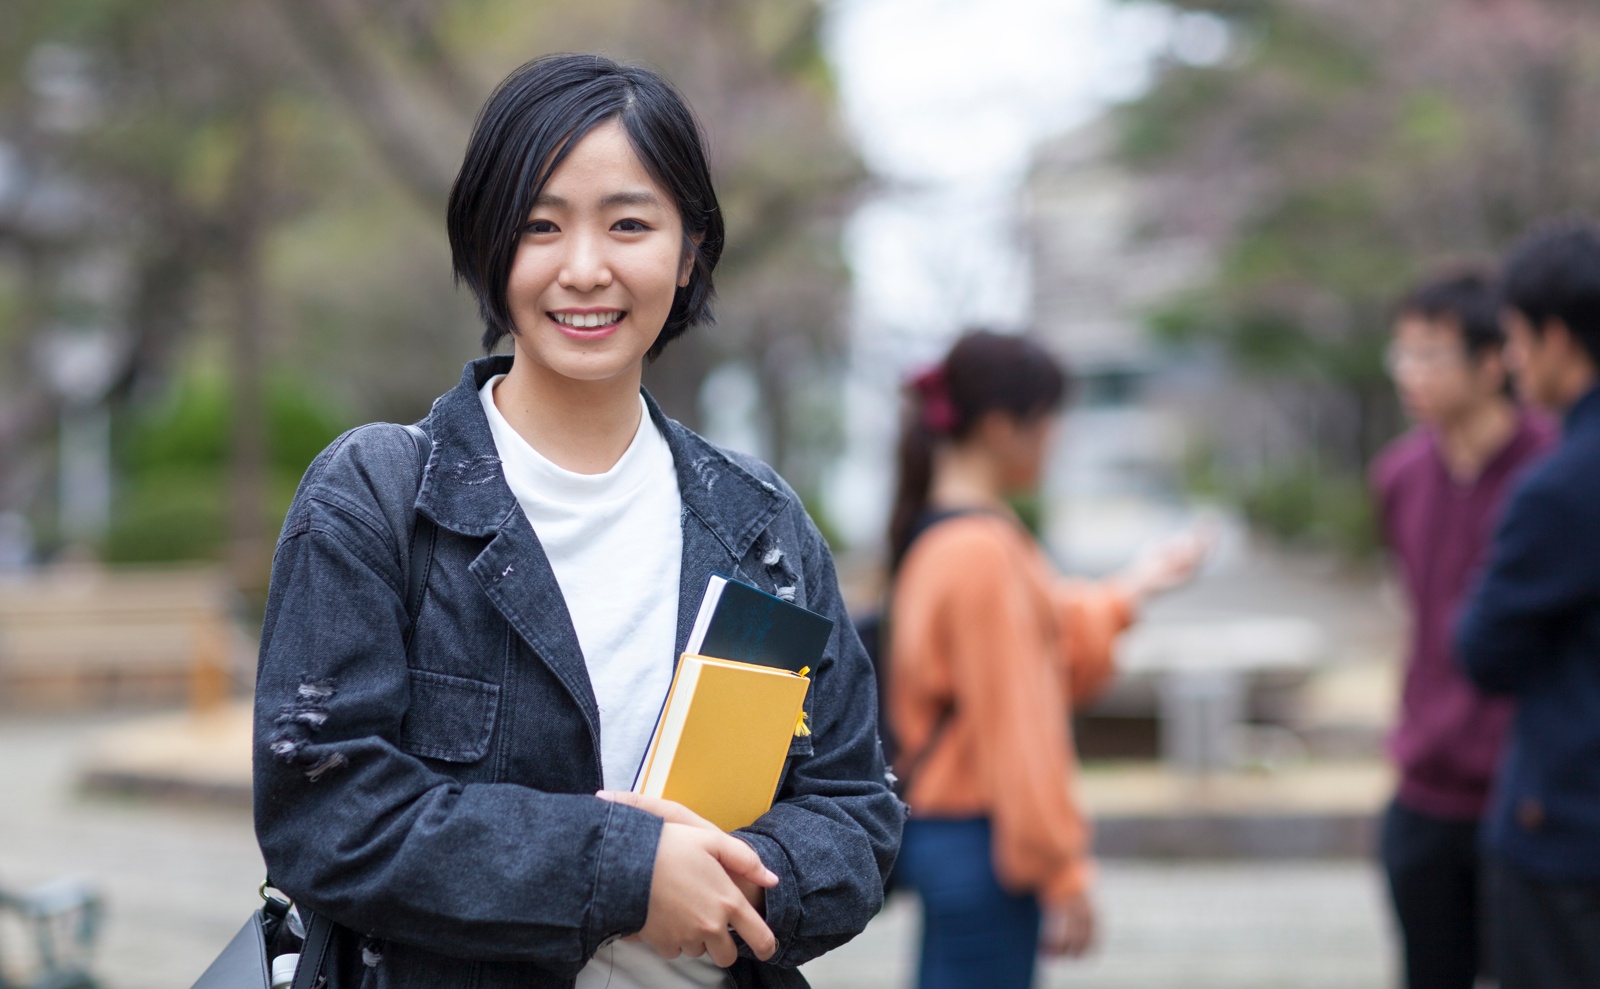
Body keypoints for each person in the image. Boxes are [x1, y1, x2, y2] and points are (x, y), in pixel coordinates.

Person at [252, 53, 899, 989]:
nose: (585, 268)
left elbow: (856, 811)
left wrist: (747, 887)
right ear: (486, 246)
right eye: (539, 226)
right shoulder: (375, 497)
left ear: (689, 254)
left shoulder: (761, 526)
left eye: (630, 224)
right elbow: (327, 813)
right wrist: (624, 870)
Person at [885, 331, 1206, 989]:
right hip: (987, 839)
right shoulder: (982, 550)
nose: (1057, 435)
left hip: (957, 835)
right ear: (1004, 427)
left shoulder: (945, 533)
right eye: (1050, 417)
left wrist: (1136, 585)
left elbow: (1043, 644)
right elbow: (1018, 724)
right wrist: (1062, 866)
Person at [1370, 270, 1554, 989]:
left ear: (1492, 359)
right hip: (1423, 782)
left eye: (1430, 354)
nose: (1410, 374)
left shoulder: (1553, 468)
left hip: (1529, 789)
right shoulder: (1399, 473)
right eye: (1402, 355)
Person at [1456, 216, 1600, 989]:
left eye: (1515, 336)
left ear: (1557, 339)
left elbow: (1484, 649)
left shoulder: (1561, 485)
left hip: (1569, 831)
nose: (1511, 358)